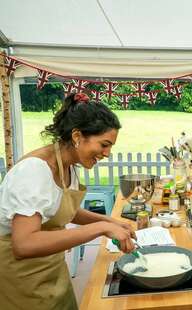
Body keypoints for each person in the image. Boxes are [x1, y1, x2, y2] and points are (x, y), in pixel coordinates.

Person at [0, 93, 136, 310]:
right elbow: (23, 244)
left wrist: (110, 221)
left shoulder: (68, 166)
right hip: (22, 281)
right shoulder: (34, 171)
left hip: (53, 270)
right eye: (104, 144)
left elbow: (63, 211)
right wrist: (101, 228)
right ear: (77, 136)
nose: (108, 154)